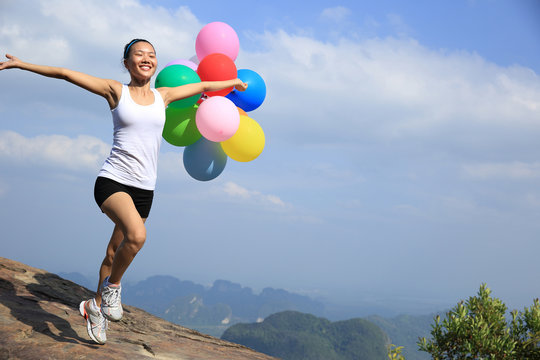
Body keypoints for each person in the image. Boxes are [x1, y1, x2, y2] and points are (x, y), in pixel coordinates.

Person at [0, 39, 247, 345]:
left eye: (152, 55)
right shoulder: (116, 91)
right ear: (127, 63)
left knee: (113, 252)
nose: (146, 58)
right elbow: (65, 73)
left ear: (156, 64)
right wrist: (23, 64)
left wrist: (233, 81)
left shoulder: (164, 96)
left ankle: (97, 309)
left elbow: (204, 85)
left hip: (145, 189)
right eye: (139, 54)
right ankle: (113, 289)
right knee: (138, 236)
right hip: (113, 181)